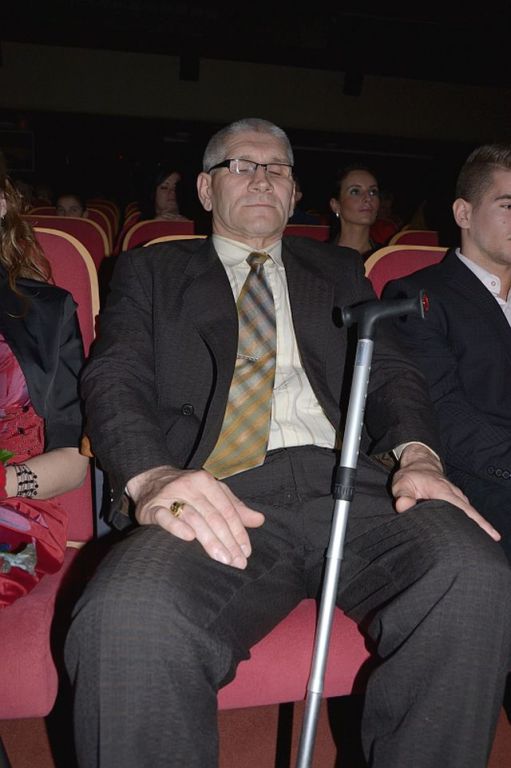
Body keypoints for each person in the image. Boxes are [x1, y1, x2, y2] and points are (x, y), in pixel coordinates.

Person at [64, 119, 511, 768]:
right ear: (205, 190)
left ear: (295, 190)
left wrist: (418, 453)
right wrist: (152, 476)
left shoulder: (337, 268)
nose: (262, 179)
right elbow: (116, 375)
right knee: (127, 614)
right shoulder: (152, 269)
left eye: (277, 168)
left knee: (474, 574)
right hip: (218, 492)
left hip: (353, 485)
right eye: (241, 166)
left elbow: (392, 371)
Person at [383, 143, 511, 564]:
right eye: (508, 205)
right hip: (481, 477)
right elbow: (443, 412)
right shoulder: (418, 296)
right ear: (463, 214)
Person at [0, 151, 89, 602]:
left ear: (1, 205)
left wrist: (3, 482)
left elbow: (74, 457)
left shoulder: (48, 313)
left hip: (12, 512)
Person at [329, 164, 383, 260]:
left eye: (373, 192)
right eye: (355, 192)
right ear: (335, 205)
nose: (368, 198)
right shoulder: (317, 257)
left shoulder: (385, 258)